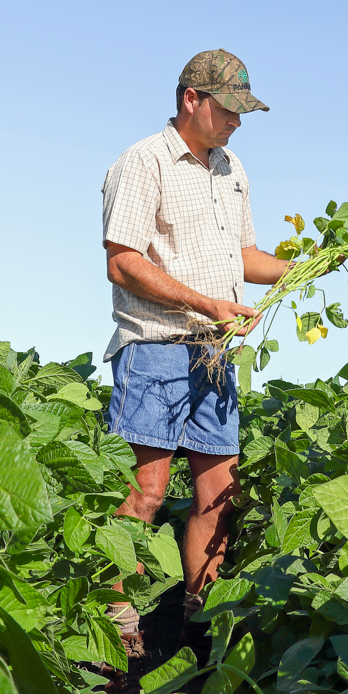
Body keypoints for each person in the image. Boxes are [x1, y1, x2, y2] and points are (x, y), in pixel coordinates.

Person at [99, 49, 295, 652]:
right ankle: (117, 627)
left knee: (219, 496)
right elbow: (122, 262)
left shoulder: (231, 168)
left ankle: (197, 624)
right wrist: (207, 304)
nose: (237, 121)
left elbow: (244, 257)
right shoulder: (144, 161)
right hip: (155, 347)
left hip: (215, 354)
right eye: (229, 109)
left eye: (243, 111)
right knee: (147, 494)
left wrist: (303, 267)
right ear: (191, 99)